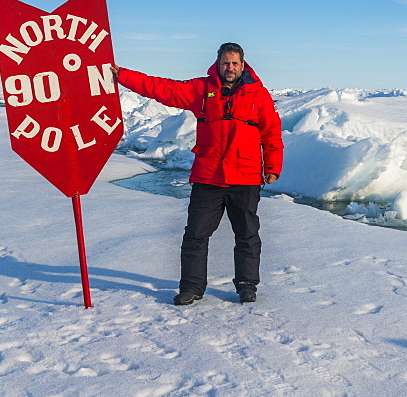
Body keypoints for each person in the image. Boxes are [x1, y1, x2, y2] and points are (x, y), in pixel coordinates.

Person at [112, 43, 284, 305]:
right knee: (195, 235)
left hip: (245, 177)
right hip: (208, 176)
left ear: (242, 65)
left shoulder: (257, 95)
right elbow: (162, 88)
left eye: (234, 63)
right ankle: (192, 287)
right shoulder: (202, 90)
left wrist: (272, 166)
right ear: (218, 63)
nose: (230, 68)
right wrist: (122, 75)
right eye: (226, 63)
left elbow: (271, 132)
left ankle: (247, 286)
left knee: (247, 235)